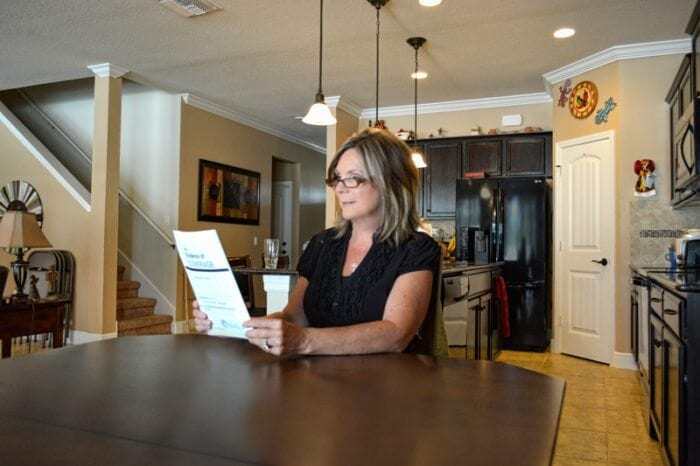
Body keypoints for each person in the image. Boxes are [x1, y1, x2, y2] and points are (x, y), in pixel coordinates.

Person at [193, 128, 441, 357]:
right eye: (337, 178)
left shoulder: (415, 247)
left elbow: (395, 334)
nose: (340, 189)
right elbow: (294, 316)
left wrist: (304, 341)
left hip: (384, 389)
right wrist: (241, 325)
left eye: (353, 178)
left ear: (391, 182)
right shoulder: (322, 243)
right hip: (317, 385)